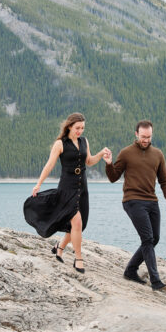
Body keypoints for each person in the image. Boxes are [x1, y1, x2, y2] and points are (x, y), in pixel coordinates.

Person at [23, 113, 108, 273]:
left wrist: (101, 154)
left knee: (78, 226)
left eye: (82, 128)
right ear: (69, 126)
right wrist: (38, 184)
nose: (80, 131)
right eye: (77, 128)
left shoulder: (84, 141)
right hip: (67, 188)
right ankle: (78, 259)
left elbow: (89, 161)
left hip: (82, 188)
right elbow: (49, 165)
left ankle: (59, 247)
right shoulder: (60, 144)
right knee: (76, 222)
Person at [103, 120, 166, 290]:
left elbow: (164, 180)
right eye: (143, 137)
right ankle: (155, 281)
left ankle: (130, 270)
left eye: (149, 137)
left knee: (154, 238)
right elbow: (113, 177)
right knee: (147, 238)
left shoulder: (158, 154)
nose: (146, 140)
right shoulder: (126, 153)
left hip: (152, 201)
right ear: (136, 134)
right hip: (132, 200)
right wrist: (108, 163)